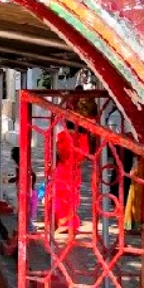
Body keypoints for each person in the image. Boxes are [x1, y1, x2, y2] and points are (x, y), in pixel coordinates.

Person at [48, 98, 96, 232]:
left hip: (63, 168)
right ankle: (69, 222)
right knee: (72, 195)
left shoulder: (64, 136)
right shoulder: (84, 138)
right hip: (75, 170)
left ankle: (62, 222)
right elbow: (83, 156)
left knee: (59, 194)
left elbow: (58, 153)